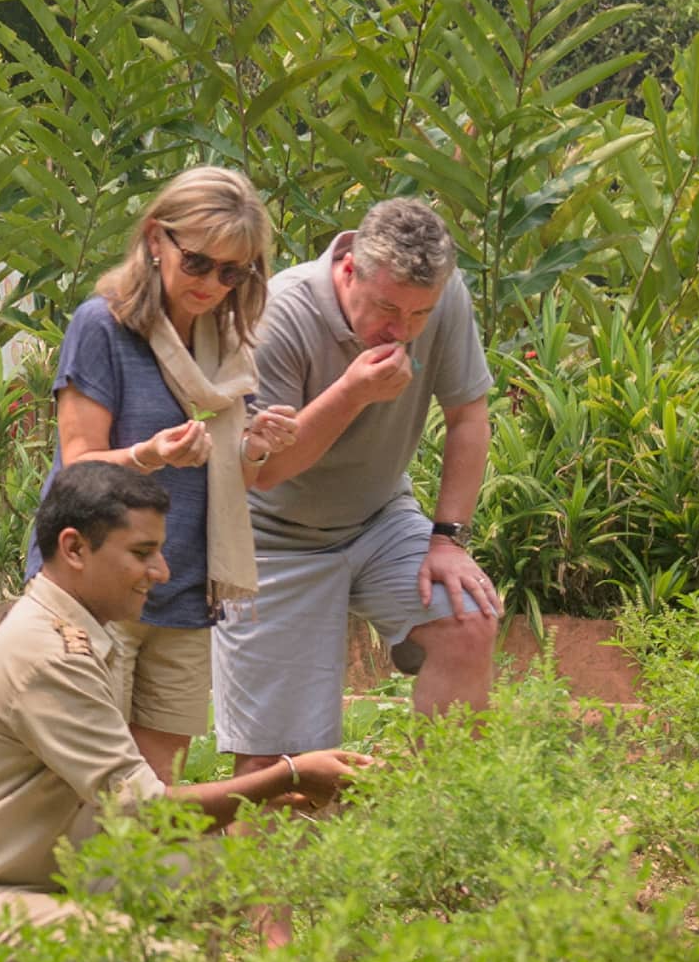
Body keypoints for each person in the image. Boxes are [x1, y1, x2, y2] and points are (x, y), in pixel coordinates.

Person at [0, 462, 369, 962]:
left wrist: (263, 803)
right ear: (74, 549)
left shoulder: (77, 636)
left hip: (22, 889)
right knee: (165, 956)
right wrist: (286, 774)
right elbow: (146, 811)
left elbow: (123, 814)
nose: (162, 572)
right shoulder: (47, 654)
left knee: (215, 870)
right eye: (141, 553)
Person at [26, 166, 298, 780]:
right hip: (96, 583)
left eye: (234, 272)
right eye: (199, 262)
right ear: (155, 238)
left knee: (154, 789)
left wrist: (253, 447)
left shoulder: (223, 344)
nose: (212, 284)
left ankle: (136, 882)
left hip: (181, 586)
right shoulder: (103, 325)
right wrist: (150, 455)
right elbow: (78, 468)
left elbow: (231, 484)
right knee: (86, 781)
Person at [212, 197, 501, 772]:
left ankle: (444, 830)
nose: (404, 331)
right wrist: (351, 394)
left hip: (378, 519)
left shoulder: (439, 299)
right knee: (277, 767)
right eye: (388, 310)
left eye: (420, 316)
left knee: (469, 622)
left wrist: (447, 540)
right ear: (349, 272)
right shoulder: (277, 318)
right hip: (270, 537)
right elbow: (264, 472)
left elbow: (470, 417)